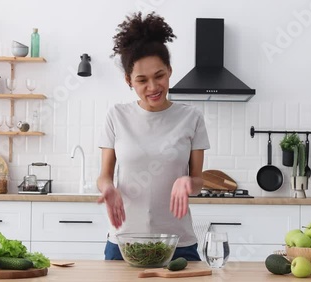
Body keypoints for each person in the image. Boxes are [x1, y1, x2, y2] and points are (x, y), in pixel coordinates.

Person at [97, 12, 210, 261]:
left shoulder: (191, 118)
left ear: (169, 71)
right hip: (124, 242)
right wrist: (108, 188)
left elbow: (199, 181)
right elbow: (104, 176)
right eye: (142, 80)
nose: (153, 87)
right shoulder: (116, 115)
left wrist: (189, 182)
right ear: (129, 80)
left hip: (178, 243)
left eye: (159, 76)